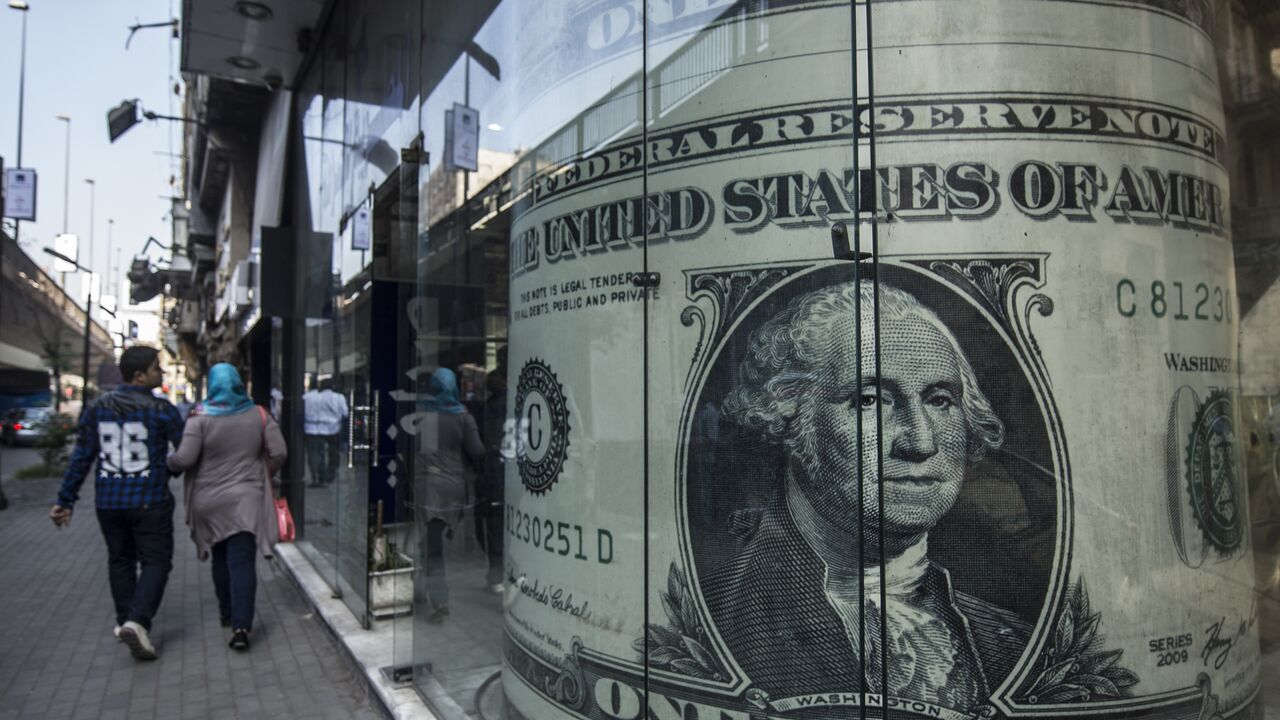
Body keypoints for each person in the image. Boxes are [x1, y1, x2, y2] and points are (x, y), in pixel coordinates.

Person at [704, 280, 1028, 711]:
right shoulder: (714, 620)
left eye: (939, 400)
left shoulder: (1010, 638)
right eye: (870, 399)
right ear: (788, 416)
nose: (920, 441)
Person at [50, 346, 185, 661]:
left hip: (108, 501)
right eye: (156, 369)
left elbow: (82, 457)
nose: (161, 374)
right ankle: (137, 621)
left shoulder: (97, 408)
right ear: (139, 375)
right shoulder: (161, 409)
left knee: (120, 560)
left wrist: (65, 500)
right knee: (156, 561)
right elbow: (184, 450)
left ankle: (127, 620)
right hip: (150, 499)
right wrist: (170, 470)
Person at [167, 364, 286, 651]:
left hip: (209, 500)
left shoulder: (200, 418)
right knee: (242, 560)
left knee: (220, 555)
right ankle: (241, 627)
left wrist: (168, 464)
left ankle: (226, 611)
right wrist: (263, 473)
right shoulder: (259, 415)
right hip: (246, 498)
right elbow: (280, 452)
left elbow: (183, 459)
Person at [415, 367, 485, 621]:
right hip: (454, 486)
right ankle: (425, 588)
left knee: (433, 546)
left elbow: (420, 447)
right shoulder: (464, 417)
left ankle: (439, 600)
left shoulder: (424, 414)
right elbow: (477, 451)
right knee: (432, 541)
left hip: (429, 486)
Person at [302, 376, 347, 487]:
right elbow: (345, 413)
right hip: (334, 429)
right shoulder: (339, 397)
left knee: (317, 454)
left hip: (316, 429)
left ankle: (318, 477)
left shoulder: (316, 397)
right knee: (333, 454)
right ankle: (330, 475)